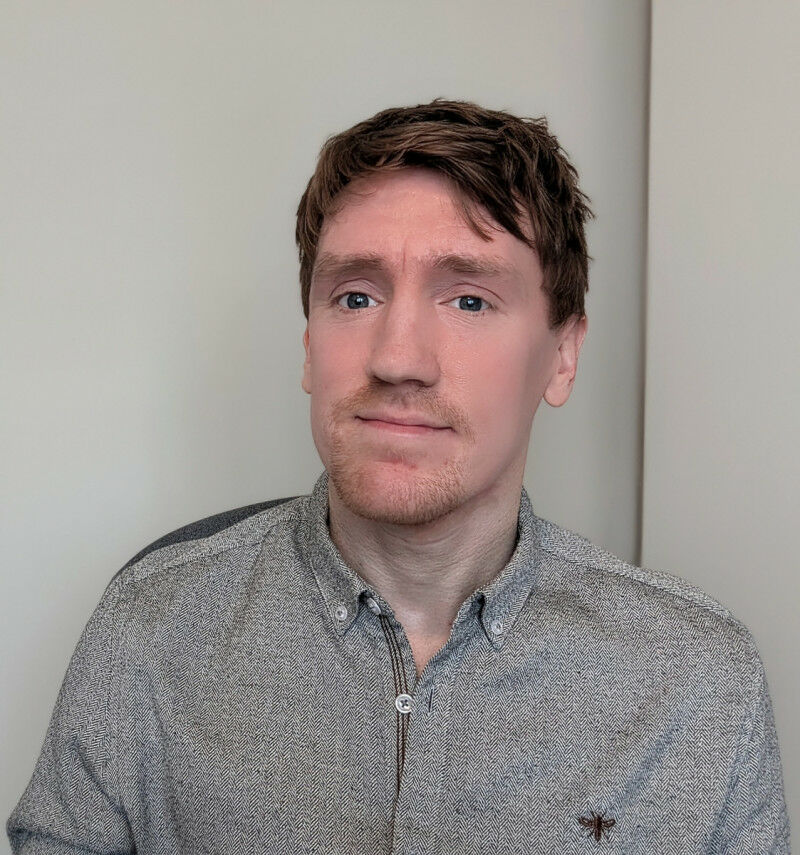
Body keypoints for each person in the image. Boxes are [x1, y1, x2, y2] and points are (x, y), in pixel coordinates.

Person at [8, 100, 789, 854]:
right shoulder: (150, 628)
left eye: (469, 300)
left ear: (563, 354)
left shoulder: (698, 680)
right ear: (310, 346)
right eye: (355, 296)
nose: (396, 359)